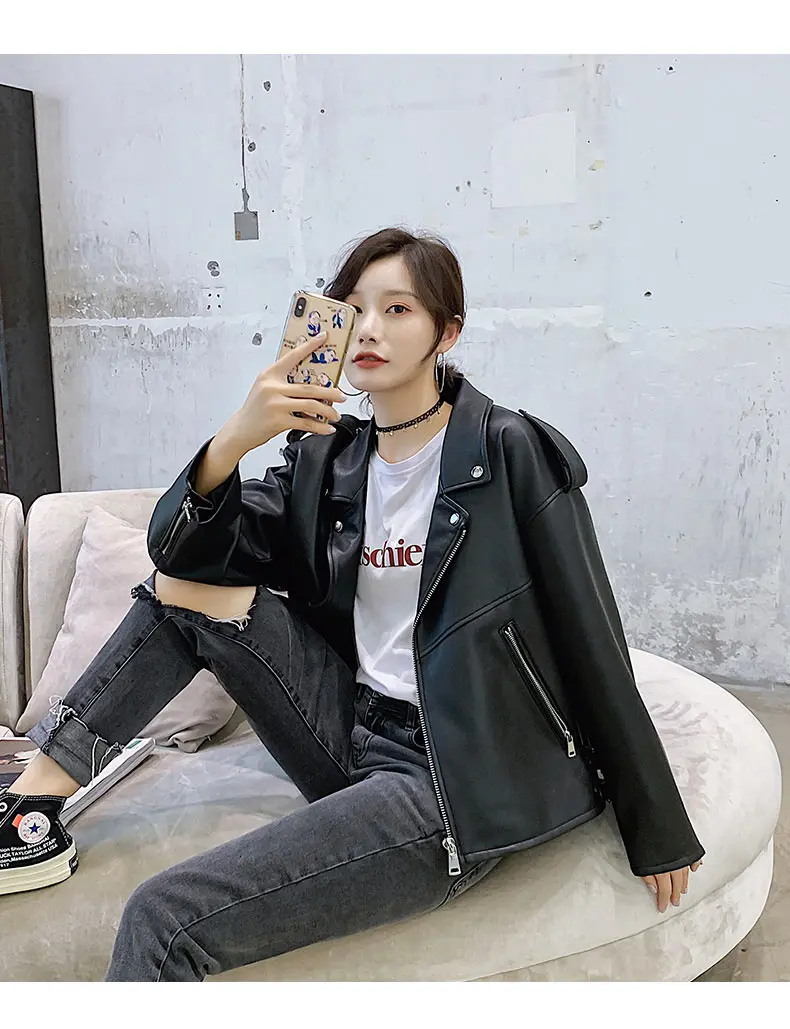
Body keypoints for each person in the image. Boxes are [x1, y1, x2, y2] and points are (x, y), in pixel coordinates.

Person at [0, 227, 704, 981]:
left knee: (162, 916)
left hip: (447, 776)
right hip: (347, 731)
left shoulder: (509, 451)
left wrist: (657, 826)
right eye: (354, 309)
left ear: (447, 332)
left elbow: (592, 634)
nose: (368, 328)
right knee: (186, 593)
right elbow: (186, 559)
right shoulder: (328, 456)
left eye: (398, 309)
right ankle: (32, 804)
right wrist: (235, 439)